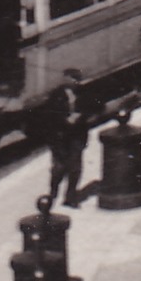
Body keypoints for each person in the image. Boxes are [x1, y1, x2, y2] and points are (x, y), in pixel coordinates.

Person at [42, 69, 92, 209]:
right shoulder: (56, 95)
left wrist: (80, 116)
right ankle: (52, 194)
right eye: (72, 80)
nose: (75, 83)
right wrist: (66, 120)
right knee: (59, 168)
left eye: (77, 80)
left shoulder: (83, 93)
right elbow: (50, 117)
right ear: (66, 80)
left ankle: (70, 197)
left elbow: (92, 107)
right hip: (60, 137)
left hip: (77, 136)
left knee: (75, 168)